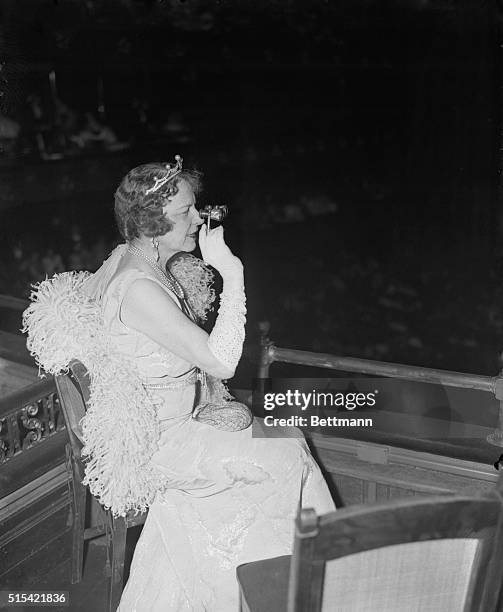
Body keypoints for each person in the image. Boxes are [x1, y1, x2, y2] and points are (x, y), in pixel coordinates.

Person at [25, 156, 335, 611]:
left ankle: (308, 576)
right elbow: (222, 362)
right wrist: (233, 274)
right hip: (162, 444)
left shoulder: (128, 259)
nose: (201, 217)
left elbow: (140, 358)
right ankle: (283, 586)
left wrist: (197, 397)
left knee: (287, 435)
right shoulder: (138, 287)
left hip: (175, 423)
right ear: (152, 221)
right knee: (286, 454)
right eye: (188, 210)